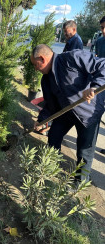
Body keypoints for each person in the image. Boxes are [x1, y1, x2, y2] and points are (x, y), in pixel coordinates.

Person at [31, 44, 105, 183]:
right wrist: (42, 120)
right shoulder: (46, 79)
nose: (35, 69)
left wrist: (94, 86)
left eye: (36, 65)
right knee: (54, 135)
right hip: (66, 112)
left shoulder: (72, 58)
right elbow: (50, 104)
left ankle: (81, 181)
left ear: (42, 59)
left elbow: (102, 65)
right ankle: (51, 164)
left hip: (88, 112)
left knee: (84, 150)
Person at [95, 16, 105, 155]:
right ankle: (90, 142)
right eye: (102, 27)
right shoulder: (99, 41)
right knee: (97, 113)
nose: (104, 30)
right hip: (100, 84)